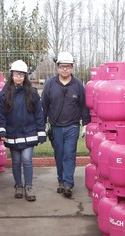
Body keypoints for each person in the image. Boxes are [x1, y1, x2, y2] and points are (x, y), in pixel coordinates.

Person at [0, 60, 46, 202]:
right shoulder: (5, 93)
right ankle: (18, 185)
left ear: (25, 76)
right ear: (12, 75)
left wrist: (41, 132)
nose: (19, 77)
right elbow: (0, 114)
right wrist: (2, 130)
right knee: (16, 161)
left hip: (29, 133)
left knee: (27, 159)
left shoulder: (32, 93)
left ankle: (28, 187)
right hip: (12, 133)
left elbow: (39, 114)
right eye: (16, 74)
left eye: (21, 75)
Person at [42, 51, 91, 198]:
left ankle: (68, 184)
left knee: (69, 154)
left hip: (72, 126)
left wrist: (86, 124)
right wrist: (42, 124)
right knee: (59, 155)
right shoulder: (50, 84)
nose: (65, 69)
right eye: (62, 66)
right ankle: (61, 181)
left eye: (68, 66)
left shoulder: (78, 85)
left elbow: (84, 106)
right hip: (55, 127)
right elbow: (44, 106)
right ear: (57, 67)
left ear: (72, 67)